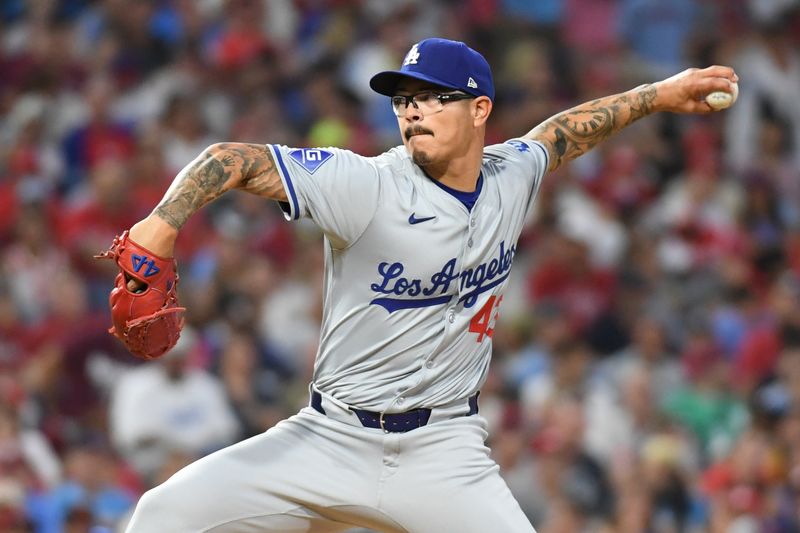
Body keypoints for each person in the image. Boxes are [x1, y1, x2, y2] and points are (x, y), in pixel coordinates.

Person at [119, 38, 737, 532]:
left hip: (444, 449)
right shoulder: (365, 184)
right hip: (330, 438)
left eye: (433, 96)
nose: (412, 109)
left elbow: (565, 131)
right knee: (162, 516)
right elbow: (234, 159)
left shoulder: (511, 175)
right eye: (403, 98)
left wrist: (658, 94)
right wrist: (162, 223)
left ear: (480, 110)